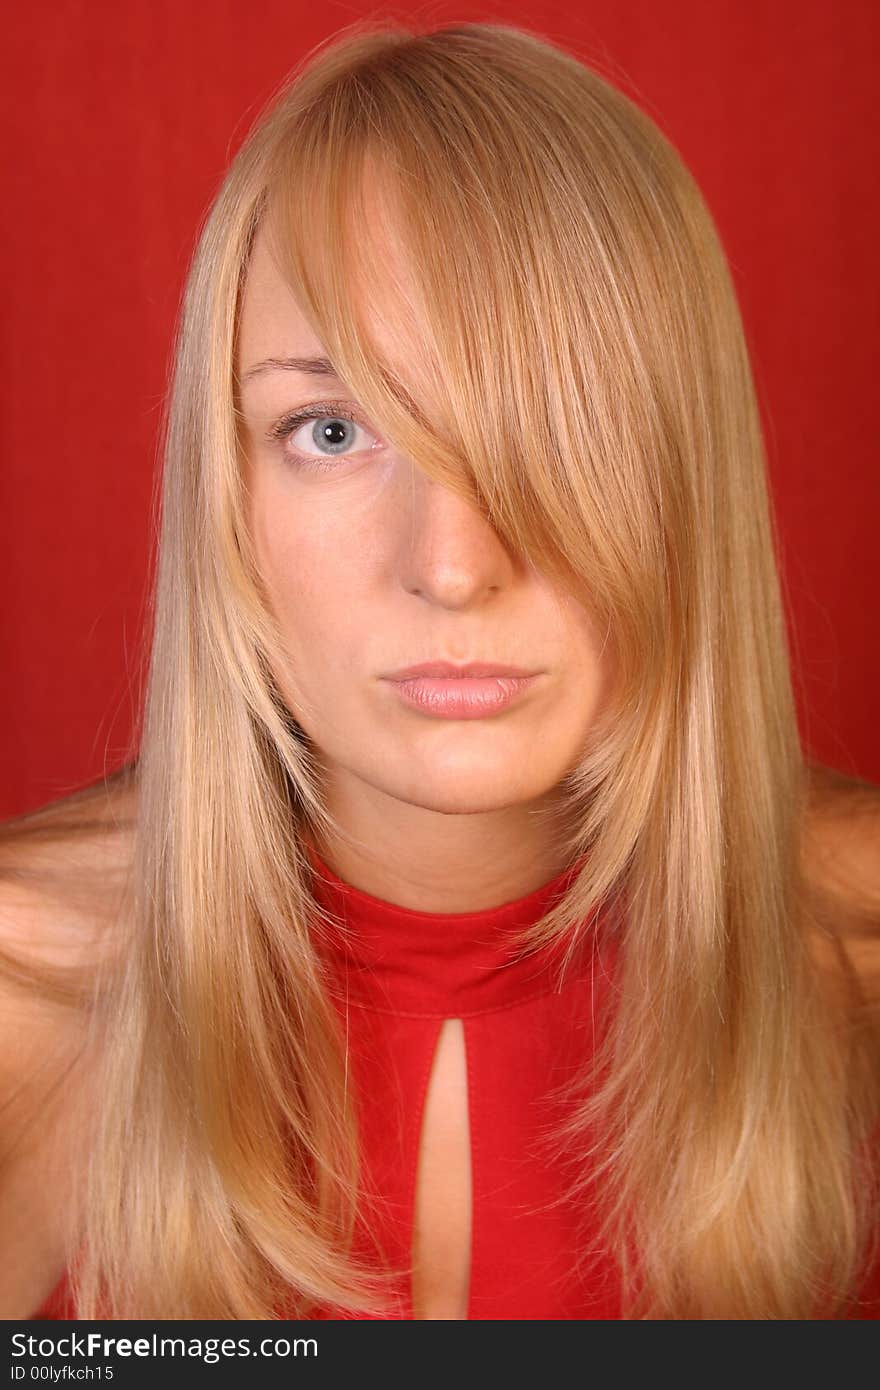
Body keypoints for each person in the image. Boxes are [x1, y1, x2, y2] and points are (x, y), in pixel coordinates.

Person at [2, 18, 879, 1321]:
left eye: (557, 418)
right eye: (335, 427)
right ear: (226, 491)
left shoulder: (855, 959)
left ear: (690, 473)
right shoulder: (20, 987)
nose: (455, 564)